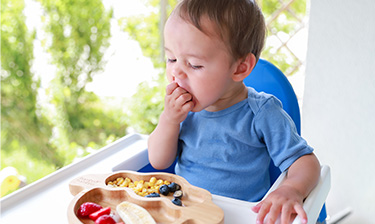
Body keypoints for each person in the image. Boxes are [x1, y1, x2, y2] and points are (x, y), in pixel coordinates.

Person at [148, 0, 321, 223]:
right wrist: (169, 120)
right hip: (186, 212)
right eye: (171, 59)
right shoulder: (182, 111)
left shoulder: (261, 113)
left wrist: (292, 189)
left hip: (240, 217)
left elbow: (306, 162)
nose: (176, 73)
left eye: (194, 64)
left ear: (240, 68)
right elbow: (158, 161)